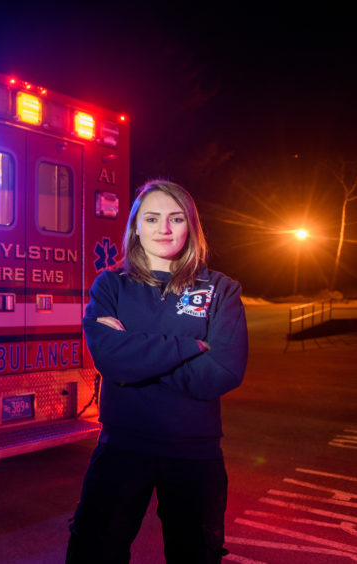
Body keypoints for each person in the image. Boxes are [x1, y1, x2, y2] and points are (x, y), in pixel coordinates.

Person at [66, 179, 248, 563]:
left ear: (191, 226)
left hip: (194, 455)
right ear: (136, 227)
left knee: (195, 555)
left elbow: (221, 372)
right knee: (93, 554)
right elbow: (109, 358)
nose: (164, 229)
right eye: (152, 218)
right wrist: (187, 347)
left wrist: (136, 357)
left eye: (176, 218)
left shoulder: (221, 290)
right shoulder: (111, 286)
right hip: (121, 449)